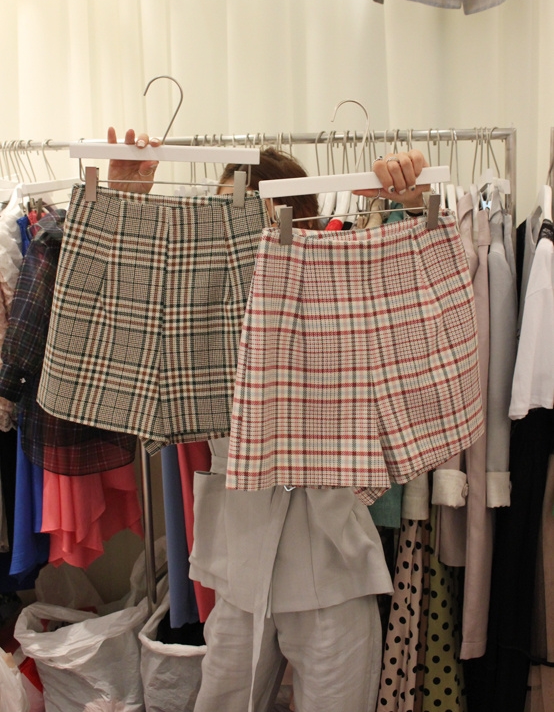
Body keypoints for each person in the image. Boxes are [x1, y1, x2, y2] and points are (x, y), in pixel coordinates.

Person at [106, 126, 430, 712]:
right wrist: (124, 206)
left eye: (251, 215)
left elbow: (416, 305)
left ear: (295, 222)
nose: (237, 233)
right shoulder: (197, 301)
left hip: (333, 564)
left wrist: (410, 204)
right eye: (225, 214)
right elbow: (125, 325)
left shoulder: (345, 289)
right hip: (240, 563)